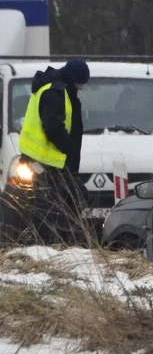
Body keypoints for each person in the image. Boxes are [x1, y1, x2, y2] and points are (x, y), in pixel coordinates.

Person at [19, 58, 90, 244]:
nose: (80, 89)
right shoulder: (55, 92)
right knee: (48, 206)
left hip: (49, 160)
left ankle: (57, 242)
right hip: (43, 160)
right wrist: (70, 149)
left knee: (69, 198)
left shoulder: (57, 89)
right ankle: (43, 245)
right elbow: (53, 127)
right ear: (73, 79)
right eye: (80, 85)